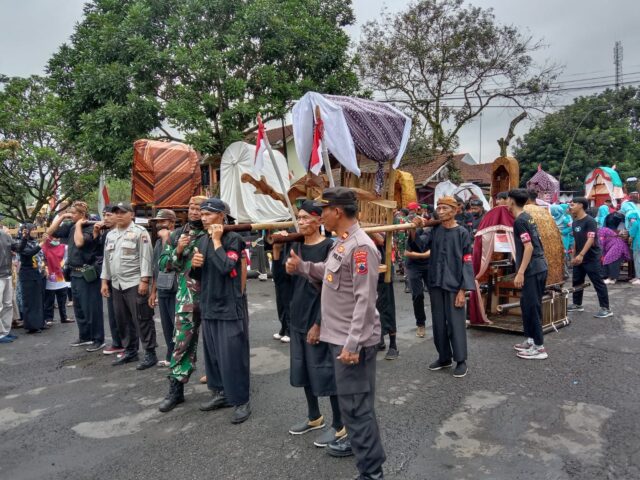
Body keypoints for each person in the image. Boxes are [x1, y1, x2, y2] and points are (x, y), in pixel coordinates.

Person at [286, 187, 386, 480]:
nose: (321, 216)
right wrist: (303, 267)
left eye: (323, 210)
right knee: (353, 406)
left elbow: (365, 301)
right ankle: (366, 459)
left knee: (356, 408)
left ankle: (371, 473)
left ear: (337, 212)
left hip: (350, 343)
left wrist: (353, 344)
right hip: (340, 338)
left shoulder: (361, 247)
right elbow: (330, 275)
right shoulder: (343, 244)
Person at [277, 201, 345, 448]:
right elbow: (282, 282)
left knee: (326, 372)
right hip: (297, 316)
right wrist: (278, 255)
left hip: (320, 319)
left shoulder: (330, 247)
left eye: (306, 217)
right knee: (303, 369)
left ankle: (340, 425)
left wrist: (319, 324)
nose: (301, 221)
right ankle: (314, 416)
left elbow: (332, 289)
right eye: (299, 218)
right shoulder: (294, 246)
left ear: (319, 220)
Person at [191, 198, 251, 424]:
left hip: (228, 305)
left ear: (221, 216)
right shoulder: (203, 239)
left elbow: (226, 267)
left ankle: (241, 400)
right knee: (214, 356)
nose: (203, 217)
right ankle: (221, 394)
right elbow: (200, 276)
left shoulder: (233, 239)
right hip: (208, 304)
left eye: (208, 214)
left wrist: (217, 242)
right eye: (201, 213)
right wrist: (195, 266)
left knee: (233, 356)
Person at [414, 196, 475, 378]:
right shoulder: (435, 230)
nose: (440, 211)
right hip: (436, 283)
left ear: (455, 210)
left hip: (455, 286)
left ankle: (461, 360)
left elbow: (467, 262)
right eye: (438, 208)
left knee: (455, 323)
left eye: (444, 208)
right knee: (439, 323)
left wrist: (463, 290)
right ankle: (444, 357)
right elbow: (420, 244)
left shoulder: (462, 233)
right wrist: (414, 230)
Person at [158, 196, 208, 412]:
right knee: (181, 343)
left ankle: (222, 388)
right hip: (187, 298)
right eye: (191, 207)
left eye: (199, 208)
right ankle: (176, 390)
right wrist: (178, 250)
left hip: (213, 297)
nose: (195, 211)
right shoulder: (178, 234)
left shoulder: (214, 232)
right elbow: (163, 264)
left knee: (218, 344)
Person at [100, 202, 157, 368]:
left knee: (142, 318)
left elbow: (146, 258)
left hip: (134, 282)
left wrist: (145, 281)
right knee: (122, 319)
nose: (118, 215)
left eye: (122, 212)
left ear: (131, 215)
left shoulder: (140, 232)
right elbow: (107, 260)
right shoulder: (111, 235)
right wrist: (105, 281)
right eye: (116, 212)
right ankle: (130, 351)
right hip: (117, 284)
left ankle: (150, 352)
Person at [48, 201, 104, 349]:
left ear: (82, 215)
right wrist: (62, 216)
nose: (71, 215)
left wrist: (79, 224)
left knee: (91, 308)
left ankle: (98, 339)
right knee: (79, 308)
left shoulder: (90, 227)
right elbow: (50, 232)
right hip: (74, 272)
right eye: (71, 213)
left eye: (74, 213)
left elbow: (79, 243)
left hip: (87, 273)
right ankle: (85, 336)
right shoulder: (71, 226)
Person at [507, 189, 549, 360]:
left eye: (506, 199)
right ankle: (531, 339)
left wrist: (520, 272)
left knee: (532, 306)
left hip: (533, 268)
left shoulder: (520, 221)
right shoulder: (527, 216)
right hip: (538, 266)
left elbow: (529, 247)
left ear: (511, 201)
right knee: (526, 304)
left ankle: (539, 348)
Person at [567, 197, 612, 318]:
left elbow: (591, 239)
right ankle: (577, 304)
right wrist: (574, 256)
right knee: (577, 281)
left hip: (591, 258)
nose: (570, 207)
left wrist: (581, 255)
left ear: (580, 205)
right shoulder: (575, 222)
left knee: (598, 282)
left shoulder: (590, 221)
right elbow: (576, 241)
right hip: (579, 258)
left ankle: (606, 308)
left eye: (573, 204)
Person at [148, 209, 178, 367]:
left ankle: (179, 357)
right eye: (158, 222)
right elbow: (156, 269)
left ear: (172, 223)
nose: (159, 225)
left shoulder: (178, 237)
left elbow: (169, 262)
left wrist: (167, 238)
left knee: (176, 325)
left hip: (176, 288)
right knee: (166, 326)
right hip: (163, 287)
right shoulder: (158, 241)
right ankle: (170, 355)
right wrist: (153, 292)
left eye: (163, 221)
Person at [93, 205, 124, 355]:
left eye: (108, 215)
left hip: (126, 280)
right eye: (104, 215)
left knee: (125, 314)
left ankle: (128, 345)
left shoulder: (130, 233)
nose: (105, 218)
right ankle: (117, 343)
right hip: (111, 278)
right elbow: (103, 258)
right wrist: (104, 281)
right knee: (113, 313)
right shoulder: (107, 235)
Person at [371, 233, 399, 361]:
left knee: (387, 307)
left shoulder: (383, 225)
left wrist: (365, 229)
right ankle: (378, 340)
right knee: (371, 308)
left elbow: (382, 240)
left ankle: (393, 345)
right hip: (366, 270)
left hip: (383, 271)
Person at [17, 224, 45, 334]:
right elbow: (29, 253)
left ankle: (40, 323)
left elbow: (41, 256)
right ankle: (31, 326)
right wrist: (41, 244)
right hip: (27, 274)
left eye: (35, 229)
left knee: (38, 299)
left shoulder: (34, 242)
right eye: (32, 229)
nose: (35, 231)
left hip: (36, 272)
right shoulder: (21, 243)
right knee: (30, 301)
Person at [405, 219, 431, 338]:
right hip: (413, 265)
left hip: (428, 265)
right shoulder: (414, 232)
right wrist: (413, 228)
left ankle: (440, 322)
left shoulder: (434, 231)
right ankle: (420, 323)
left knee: (436, 293)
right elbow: (408, 252)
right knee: (418, 294)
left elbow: (431, 252)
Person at [41, 234, 70, 326]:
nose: (57, 239)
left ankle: (64, 317)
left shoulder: (64, 247)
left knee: (62, 299)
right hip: (49, 276)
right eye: (54, 238)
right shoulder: (43, 248)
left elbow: (67, 258)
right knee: (49, 300)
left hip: (60, 275)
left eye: (58, 238)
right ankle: (49, 318)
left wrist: (61, 265)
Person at [599, 213, 631, 285]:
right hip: (618, 245)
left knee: (609, 259)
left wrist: (601, 254)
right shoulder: (607, 230)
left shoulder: (602, 230)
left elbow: (601, 244)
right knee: (608, 259)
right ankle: (609, 277)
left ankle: (612, 278)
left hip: (617, 246)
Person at [0, 227, 18, 343]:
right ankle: (1, 333)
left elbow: (17, 247)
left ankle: (5, 332)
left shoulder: (5, 235)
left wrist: (25, 238)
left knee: (8, 304)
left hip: (7, 273)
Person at [627, 211, 640, 285]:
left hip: (637, 244)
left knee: (637, 261)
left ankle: (638, 278)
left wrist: (629, 240)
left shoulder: (635, 223)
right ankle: (637, 276)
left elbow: (632, 235)